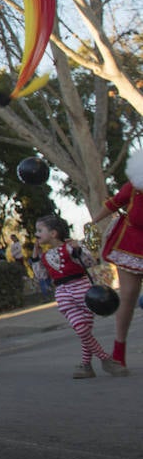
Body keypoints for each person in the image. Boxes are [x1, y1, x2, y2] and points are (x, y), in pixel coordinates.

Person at [34, 214, 127, 379]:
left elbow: (90, 262)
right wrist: (34, 258)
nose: (36, 234)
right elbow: (41, 276)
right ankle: (106, 360)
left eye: (40, 230)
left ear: (54, 233)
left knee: (85, 330)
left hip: (83, 289)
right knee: (81, 329)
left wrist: (78, 250)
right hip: (63, 292)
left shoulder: (71, 247)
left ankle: (86, 365)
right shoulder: (43, 256)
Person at [90, 151, 141, 372]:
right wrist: (92, 224)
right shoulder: (136, 183)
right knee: (128, 296)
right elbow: (114, 202)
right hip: (130, 244)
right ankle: (118, 353)